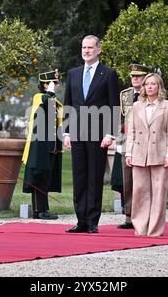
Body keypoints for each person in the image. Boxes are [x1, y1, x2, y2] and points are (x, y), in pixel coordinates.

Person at [63, 35, 120, 233]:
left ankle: (93, 221)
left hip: (99, 133)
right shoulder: (73, 74)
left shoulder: (109, 74)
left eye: (90, 47)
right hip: (77, 132)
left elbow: (114, 106)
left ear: (98, 50)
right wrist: (67, 132)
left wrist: (110, 134)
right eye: (84, 47)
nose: (86, 51)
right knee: (79, 177)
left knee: (95, 177)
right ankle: (81, 220)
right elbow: (68, 104)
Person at [125, 73, 168, 236]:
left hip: (160, 154)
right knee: (139, 191)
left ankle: (155, 229)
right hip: (139, 154)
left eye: (153, 84)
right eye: (147, 84)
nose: (150, 87)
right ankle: (140, 227)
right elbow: (131, 132)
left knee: (159, 192)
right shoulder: (136, 106)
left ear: (159, 86)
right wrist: (129, 152)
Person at [112, 63, 150, 229]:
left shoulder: (150, 94)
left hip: (144, 142)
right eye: (133, 76)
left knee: (142, 181)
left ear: (145, 78)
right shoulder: (125, 95)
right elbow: (121, 119)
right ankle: (129, 216)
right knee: (127, 180)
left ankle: (143, 215)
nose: (134, 78)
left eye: (138, 76)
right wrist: (119, 140)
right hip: (127, 141)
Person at [22, 70, 63, 219]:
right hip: (40, 146)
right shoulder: (39, 97)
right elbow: (46, 102)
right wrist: (50, 92)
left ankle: (41, 210)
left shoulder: (53, 99)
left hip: (51, 147)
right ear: (45, 85)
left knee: (45, 178)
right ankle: (40, 211)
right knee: (39, 178)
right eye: (54, 83)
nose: (57, 86)